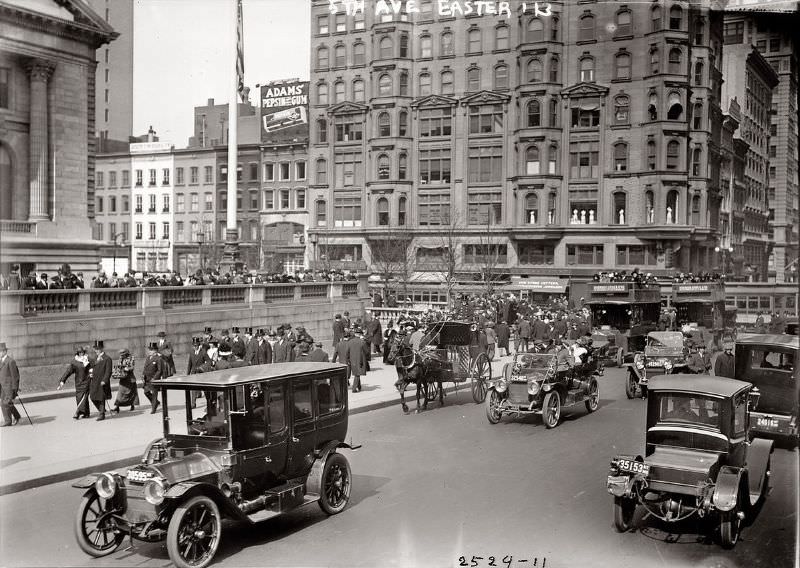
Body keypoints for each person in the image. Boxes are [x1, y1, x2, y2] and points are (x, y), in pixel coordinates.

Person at [58, 345, 93, 419]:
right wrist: (62, 381)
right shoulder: (74, 361)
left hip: (87, 381)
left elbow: (93, 366)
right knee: (80, 398)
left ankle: (78, 412)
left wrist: (92, 372)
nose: (81, 353)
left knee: (83, 397)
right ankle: (86, 413)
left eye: (82, 352)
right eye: (79, 352)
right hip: (78, 383)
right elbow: (68, 372)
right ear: (77, 353)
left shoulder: (88, 359)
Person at [89, 340, 113, 421]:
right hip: (95, 381)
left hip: (102, 382)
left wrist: (105, 380)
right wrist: (91, 373)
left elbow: (108, 371)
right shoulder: (95, 358)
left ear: (102, 348)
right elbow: (92, 368)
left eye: (98, 349)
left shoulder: (107, 359)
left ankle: (101, 414)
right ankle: (101, 410)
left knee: (101, 398)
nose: (96, 350)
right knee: (92, 397)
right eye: (95, 349)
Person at [0, 342, 21, 427]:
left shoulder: (10, 361)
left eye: (0, 351)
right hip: (2, 387)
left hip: (9, 387)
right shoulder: (1, 361)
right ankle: (16, 416)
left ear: (5, 351)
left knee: (6, 403)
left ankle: (8, 421)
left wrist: (15, 389)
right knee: (4, 403)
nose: (0, 353)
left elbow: (15, 376)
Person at [112, 348, 139, 413]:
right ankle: (117, 407)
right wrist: (116, 369)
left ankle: (132, 405)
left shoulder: (131, 358)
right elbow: (118, 366)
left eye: (123, 354)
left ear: (126, 353)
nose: (121, 355)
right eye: (121, 354)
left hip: (130, 378)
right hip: (123, 378)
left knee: (131, 393)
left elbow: (132, 367)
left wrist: (128, 368)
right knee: (120, 393)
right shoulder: (120, 358)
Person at [142, 342, 162, 414]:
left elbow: (160, 370)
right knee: (146, 392)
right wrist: (143, 374)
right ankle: (155, 402)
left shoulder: (158, 358)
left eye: (151, 350)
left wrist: (155, 378)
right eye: (149, 350)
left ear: (155, 351)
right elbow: (145, 367)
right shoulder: (148, 358)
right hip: (147, 378)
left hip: (154, 379)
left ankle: (154, 408)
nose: (149, 351)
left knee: (154, 394)